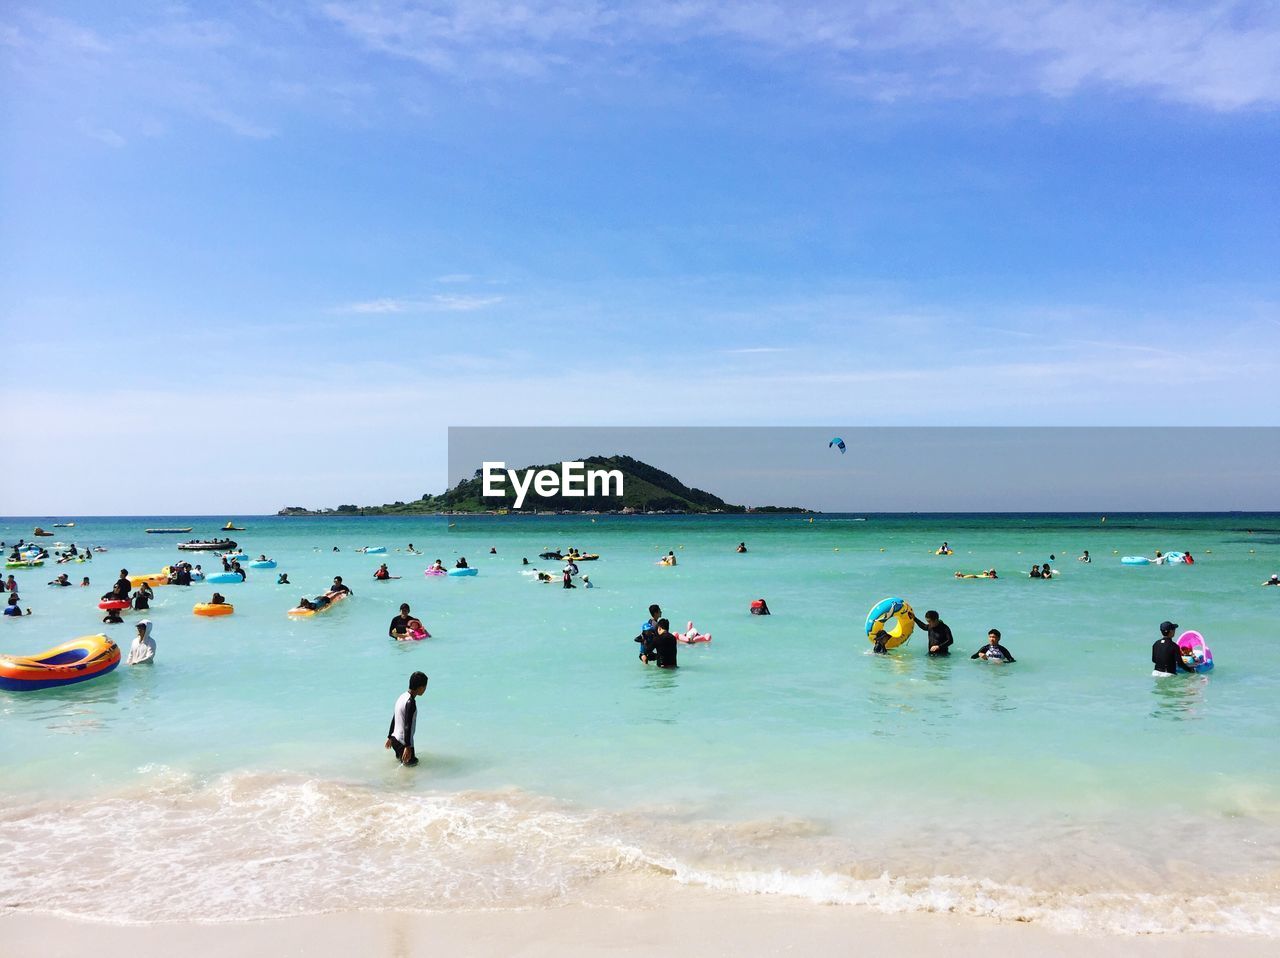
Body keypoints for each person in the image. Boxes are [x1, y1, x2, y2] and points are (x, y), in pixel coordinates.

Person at [386, 671, 428, 767]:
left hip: (395, 739)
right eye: (425, 687)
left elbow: (394, 717)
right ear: (420, 687)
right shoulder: (411, 702)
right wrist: (408, 746)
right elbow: (407, 725)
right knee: (412, 766)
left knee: (403, 764)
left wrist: (389, 736)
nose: (425, 690)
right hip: (403, 742)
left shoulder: (402, 697)